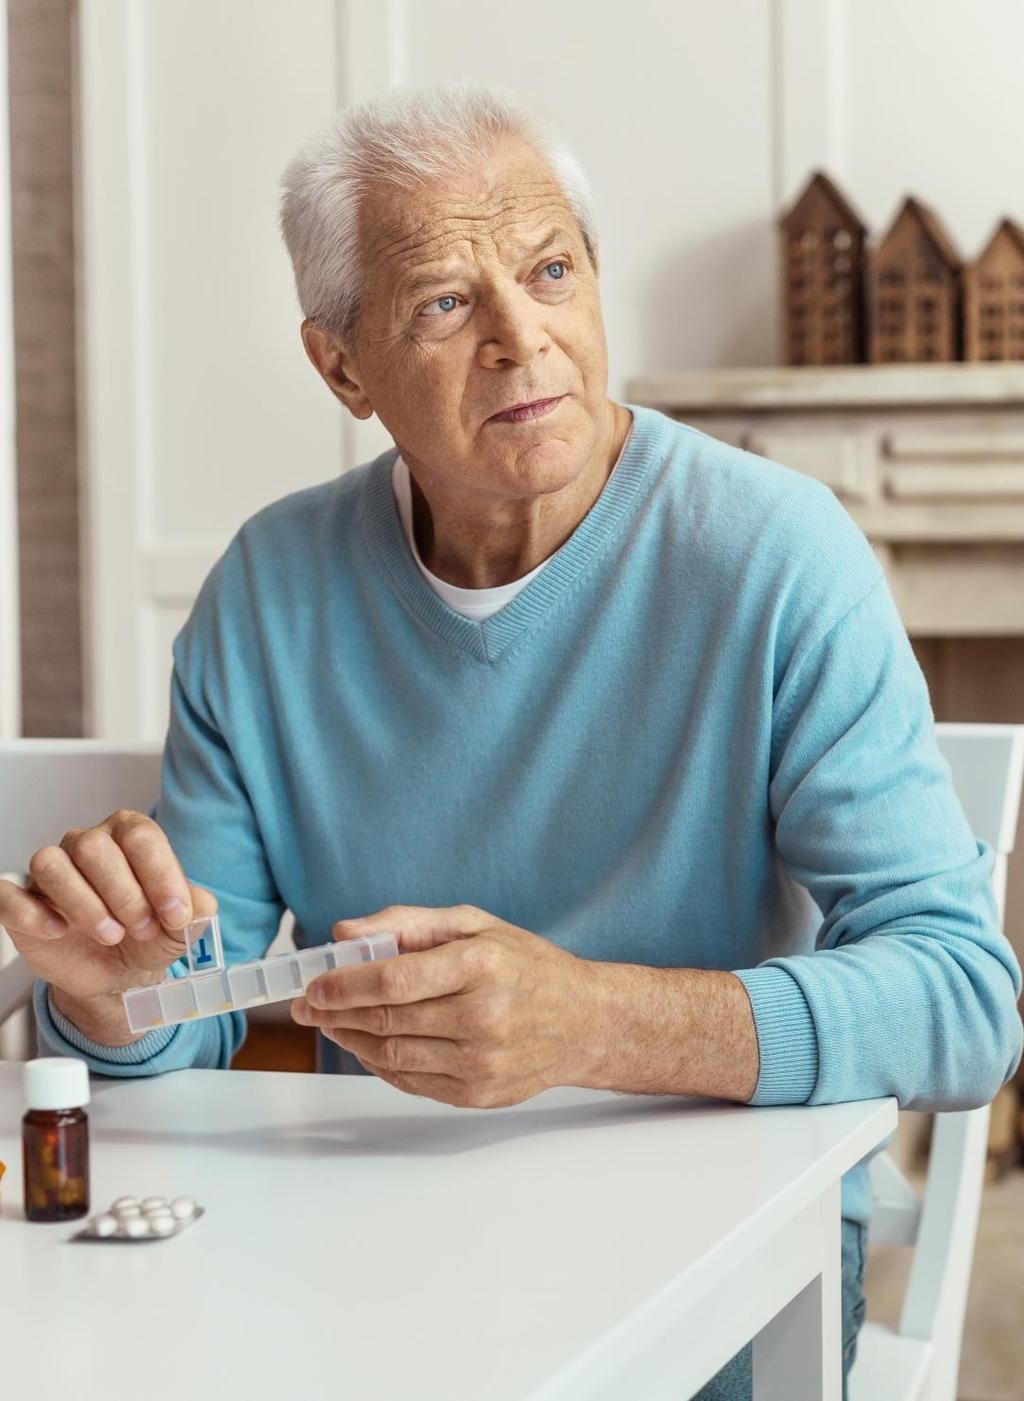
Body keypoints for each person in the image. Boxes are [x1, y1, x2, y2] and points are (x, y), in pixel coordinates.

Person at [1, 80, 1020, 1399]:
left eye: (550, 270)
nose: (521, 336)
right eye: (443, 299)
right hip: (355, 1260)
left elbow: (963, 1000)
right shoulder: (266, 594)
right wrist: (107, 993)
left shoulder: (778, 558)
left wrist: (589, 1021)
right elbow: (184, 1015)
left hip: (719, 1275)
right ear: (342, 365)